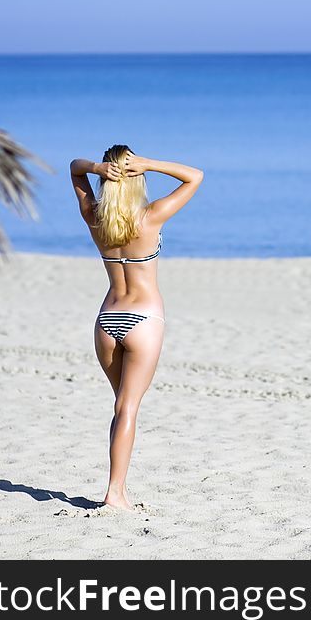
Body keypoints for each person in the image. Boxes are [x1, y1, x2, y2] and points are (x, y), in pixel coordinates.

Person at [70, 146, 203, 509]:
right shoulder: (151, 217)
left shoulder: (95, 219)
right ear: (135, 178)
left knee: (121, 407)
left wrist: (97, 167)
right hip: (143, 319)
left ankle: (119, 489)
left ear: (106, 179)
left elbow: (74, 169)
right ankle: (115, 493)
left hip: (106, 321)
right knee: (127, 409)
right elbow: (195, 176)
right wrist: (150, 163)